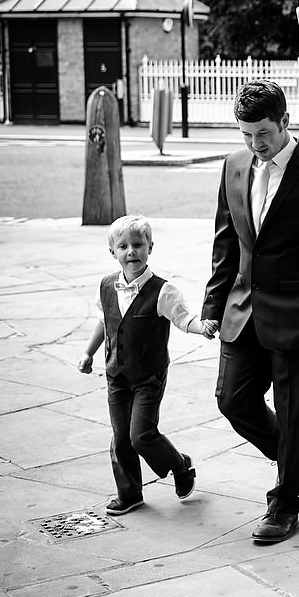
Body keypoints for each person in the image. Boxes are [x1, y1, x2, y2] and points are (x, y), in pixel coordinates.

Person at [202, 78, 299, 544]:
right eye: (246, 134)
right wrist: (213, 304)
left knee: (294, 411)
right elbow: (225, 240)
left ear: (286, 123)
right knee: (232, 399)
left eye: (264, 134)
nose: (255, 145)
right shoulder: (234, 165)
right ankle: (293, 456)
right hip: (241, 308)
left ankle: (285, 500)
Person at [78, 214, 213, 516]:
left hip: (148, 376)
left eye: (138, 245)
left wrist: (200, 327)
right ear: (112, 252)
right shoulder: (106, 286)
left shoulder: (163, 291)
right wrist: (88, 353)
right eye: (123, 246)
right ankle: (129, 493)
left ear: (150, 246)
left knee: (141, 434)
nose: (131, 252)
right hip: (116, 375)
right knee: (121, 436)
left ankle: (179, 466)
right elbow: (105, 322)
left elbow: (183, 318)